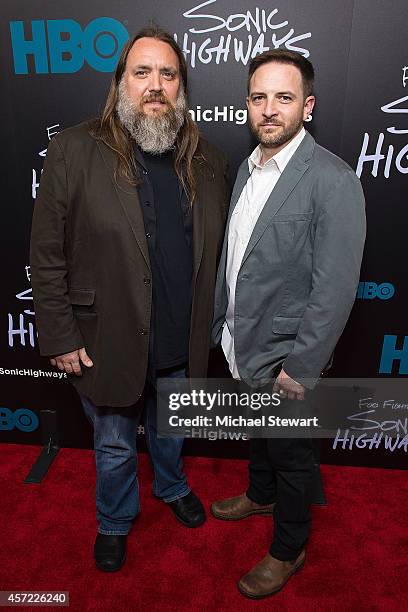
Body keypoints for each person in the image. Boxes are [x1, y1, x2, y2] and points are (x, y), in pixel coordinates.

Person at [30, 26, 229, 572]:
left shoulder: (208, 160)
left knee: (172, 430)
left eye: (168, 74)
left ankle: (170, 485)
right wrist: (61, 335)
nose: (155, 85)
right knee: (115, 445)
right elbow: (46, 254)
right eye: (142, 72)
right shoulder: (74, 149)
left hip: (180, 337)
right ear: (121, 82)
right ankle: (115, 519)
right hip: (107, 336)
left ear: (182, 86)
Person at [211, 49, 366, 598]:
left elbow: (334, 289)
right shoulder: (249, 169)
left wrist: (299, 367)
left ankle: (288, 547)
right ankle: (260, 493)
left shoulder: (333, 180)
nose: (269, 109)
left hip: (285, 357)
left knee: (294, 455)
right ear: (248, 105)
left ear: (308, 106)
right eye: (259, 97)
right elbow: (241, 258)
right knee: (262, 436)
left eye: (284, 97)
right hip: (242, 341)